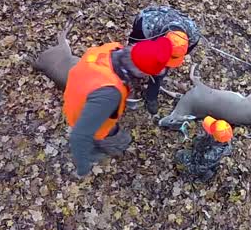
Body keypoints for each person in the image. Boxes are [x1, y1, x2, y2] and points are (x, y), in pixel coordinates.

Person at [63, 36, 174, 177]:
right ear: (141, 73)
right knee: (123, 141)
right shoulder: (110, 94)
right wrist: (83, 168)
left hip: (78, 89)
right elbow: (79, 136)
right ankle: (98, 150)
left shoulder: (112, 48)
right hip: (81, 113)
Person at [126, 5, 201, 114]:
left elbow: (182, 53)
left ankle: (151, 96)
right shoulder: (146, 24)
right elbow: (133, 45)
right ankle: (129, 83)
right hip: (148, 35)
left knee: (160, 72)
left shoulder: (193, 36)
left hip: (163, 39)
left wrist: (161, 66)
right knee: (133, 61)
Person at [175, 116, 234, 182]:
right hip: (204, 154)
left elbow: (200, 168)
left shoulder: (210, 155)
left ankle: (194, 178)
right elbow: (204, 138)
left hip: (201, 164)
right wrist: (198, 140)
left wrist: (187, 168)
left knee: (179, 154)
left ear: (215, 138)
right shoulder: (225, 136)